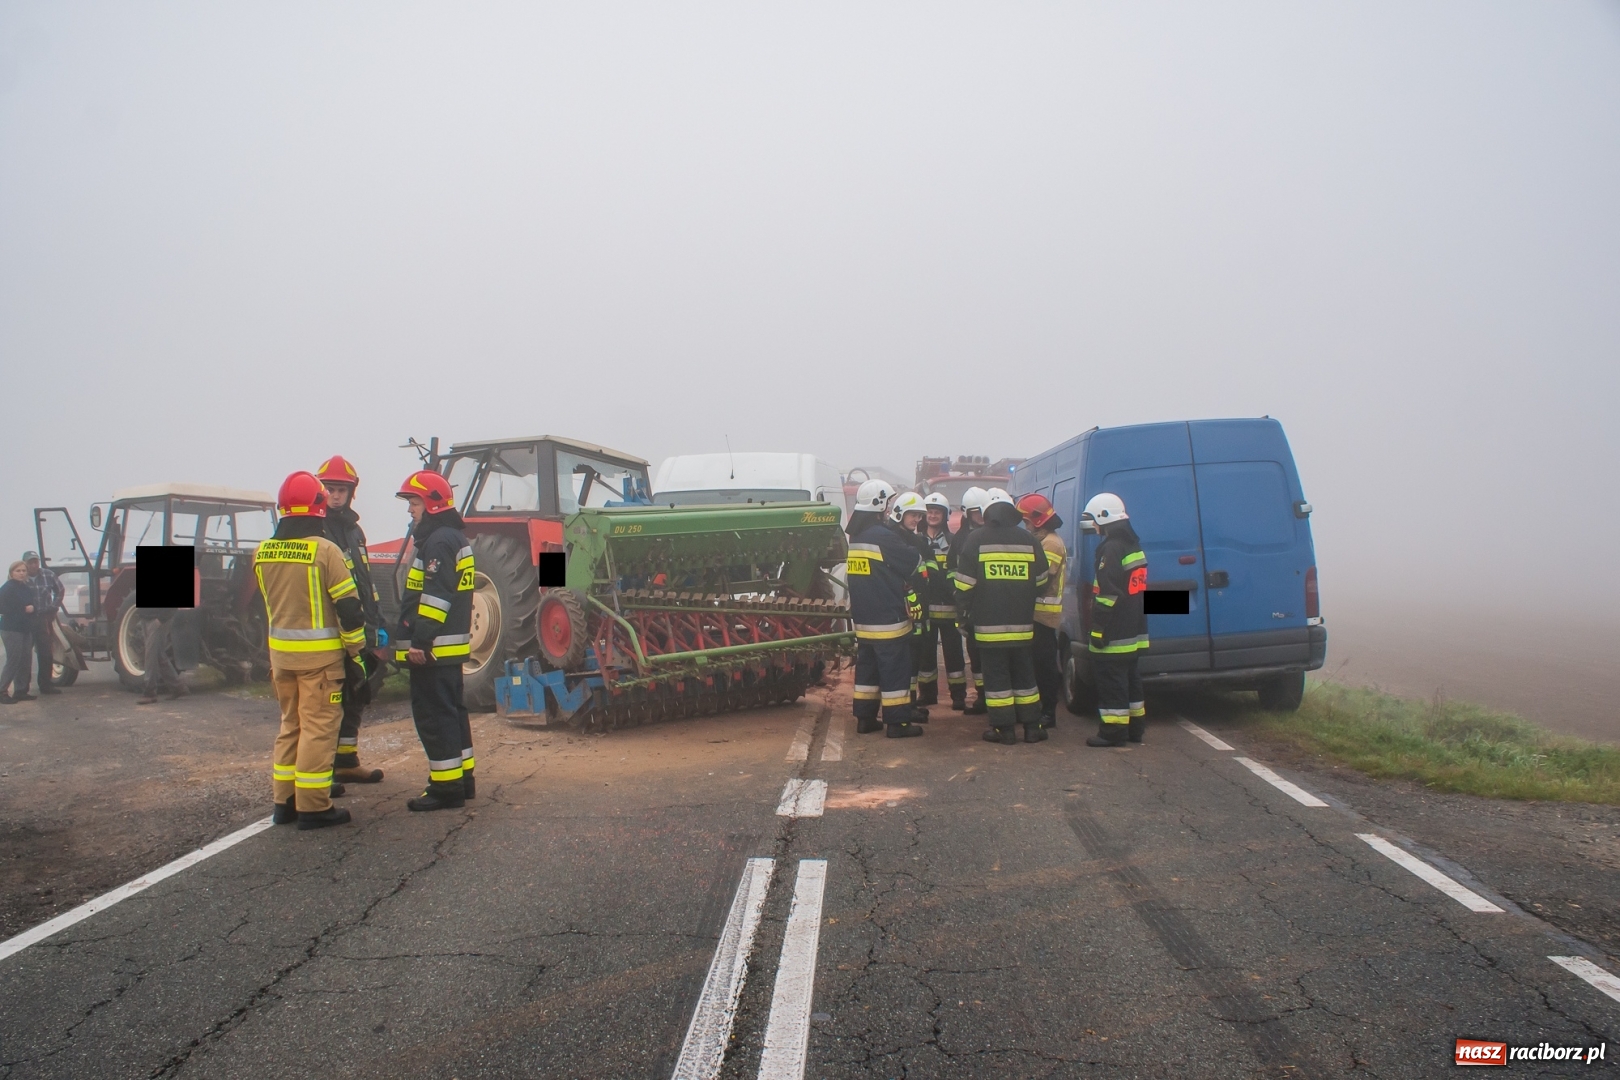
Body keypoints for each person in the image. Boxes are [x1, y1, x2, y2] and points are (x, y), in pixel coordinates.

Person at [257, 471, 368, 830]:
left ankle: (284, 803)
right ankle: (314, 806)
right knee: (319, 729)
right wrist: (356, 654)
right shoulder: (326, 551)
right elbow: (350, 610)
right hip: (320, 663)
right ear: (319, 507)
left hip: (281, 660)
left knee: (291, 727)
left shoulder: (263, 552)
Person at [390, 470, 478, 810]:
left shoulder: (438, 542)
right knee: (453, 713)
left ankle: (445, 789)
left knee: (435, 717)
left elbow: (435, 598)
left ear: (431, 504)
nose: (411, 510)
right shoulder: (454, 539)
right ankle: (463, 779)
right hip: (449, 649)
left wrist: (419, 642)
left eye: (414, 502)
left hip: (433, 649)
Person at [956, 488, 1049, 744]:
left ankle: (1003, 730)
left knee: (996, 679)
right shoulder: (1029, 540)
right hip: (1022, 627)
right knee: (1025, 678)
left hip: (988, 627)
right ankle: (1032, 727)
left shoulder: (976, 539)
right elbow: (1042, 580)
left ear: (987, 512)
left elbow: (964, 584)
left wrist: (962, 614)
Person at [315, 455, 387, 785]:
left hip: (361, 625)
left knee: (358, 692)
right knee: (328, 702)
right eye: (330, 489)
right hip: (333, 630)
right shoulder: (317, 528)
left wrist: (377, 622)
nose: (336, 495)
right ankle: (320, 769)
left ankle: (346, 759)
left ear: (351, 492)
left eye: (342, 490)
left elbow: (364, 579)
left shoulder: (355, 531)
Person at [846, 479, 925, 739]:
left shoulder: (857, 537)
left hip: (864, 620)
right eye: (888, 502)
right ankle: (898, 723)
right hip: (888, 620)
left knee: (867, 670)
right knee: (895, 671)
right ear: (879, 503)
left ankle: (865, 719)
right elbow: (914, 564)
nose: (890, 508)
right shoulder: (883, 537)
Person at [1081, 493, 1149, 747]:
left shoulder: (1111, 548)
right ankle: (1135, 729)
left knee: (1112, 682)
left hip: (1115, 630)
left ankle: (1113, 732)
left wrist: (1098, 628)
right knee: (1131, 681)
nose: (1094, 527)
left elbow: (1107, 594)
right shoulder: (1133, 544)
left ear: (1103, 517)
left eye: (1094, 521)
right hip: (1134, 627)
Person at [1016, 493, 1069, 729]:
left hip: (1043, 617)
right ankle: (1039, 710)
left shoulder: (1051, 543)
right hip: (1036, 615)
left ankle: (1048, 712)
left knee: (1045, 667)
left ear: (1036, 520)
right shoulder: (1044, 540)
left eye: (1026, 522)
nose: (1025, 527)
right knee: (1036, 666)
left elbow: (1041, 579)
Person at [888, 492, 935, 716]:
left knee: (915, 657)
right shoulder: (895, 538)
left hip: (917, 606)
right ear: (899, 513)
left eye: (918, 516)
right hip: (905, 608)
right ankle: (905, 705)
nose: (916, 520)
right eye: (912, 515)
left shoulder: (913, 539)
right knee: (907, 659)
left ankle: (911, 702)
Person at [919, 492, 967, 710]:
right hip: (926, 609)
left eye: (937, 512)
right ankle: (927, 695)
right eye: (929, 511)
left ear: (945, 515)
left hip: (949, 609)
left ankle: (958, 696)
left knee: (954, 656)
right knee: (925, 656)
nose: (932, 515)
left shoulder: (953, 541)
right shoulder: (917, 541)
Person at [948, 486, 990, 713]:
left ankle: (992, 697)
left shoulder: (992, 534)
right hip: (971, 605)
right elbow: (952, 568)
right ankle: (983, 697)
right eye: (976, 513)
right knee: (974, 654)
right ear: (967, 512)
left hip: (990, 602)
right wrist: (958, 594)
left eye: (983, 512)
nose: (981, 517)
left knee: (991, 655)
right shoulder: (960, 539)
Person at [23, 552, 63, 695]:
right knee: (25, 654)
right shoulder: (21, 577)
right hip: (26, 620)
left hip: (43, 618)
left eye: (36, 562)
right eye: (30, 562)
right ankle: (22, 688)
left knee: (46, 652)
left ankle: (46, 685)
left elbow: (60, 590)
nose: (33, 565)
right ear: (25, 563)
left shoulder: (48, 574)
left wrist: (54, 606)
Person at [1, 562, 37, 703]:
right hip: (11, 629)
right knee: (13, 660)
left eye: (23, 570)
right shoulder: (6, 589)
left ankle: (21, 691)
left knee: (25, 660)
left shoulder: (25, 588)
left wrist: (33, 609)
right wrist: (23, 609)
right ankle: (2, 691)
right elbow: (2, 608)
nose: (21, 573)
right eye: (18, 570)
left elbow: (32, 604)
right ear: (11, 572)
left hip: (25, 628)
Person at [135, 609, 187, 704]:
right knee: (158, 655)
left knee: (150, 655)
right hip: (146, 618)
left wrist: (161, 619)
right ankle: (177, 687)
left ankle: (149, 692)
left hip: (157, 619)